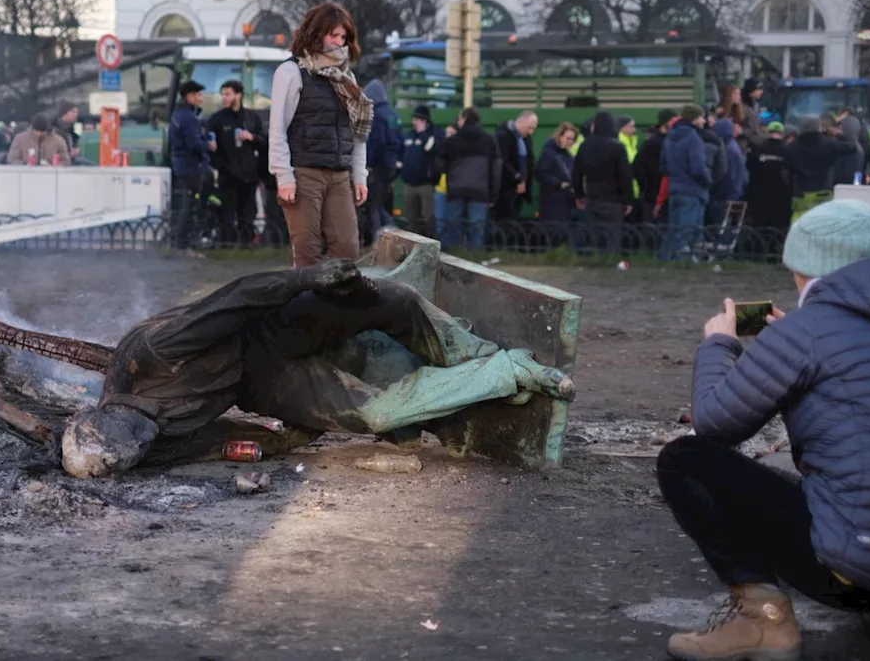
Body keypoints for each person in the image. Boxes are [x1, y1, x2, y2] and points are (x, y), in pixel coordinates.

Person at [657, 199, 870, 661]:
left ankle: (762, 623)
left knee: (685, 461)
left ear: (806, 267)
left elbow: (714, 424)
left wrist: (719, 344)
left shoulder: (804, 334)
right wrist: (792, 343)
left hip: (854, 572)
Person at [60, 259, 575, 478]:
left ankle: (467, 351)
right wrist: (285, 439)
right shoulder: (140, 446)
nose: (154, 431)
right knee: (377, 415)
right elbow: (219, 437)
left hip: (262, 329)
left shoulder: (151, 352)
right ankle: (508, 372)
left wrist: (307, 277)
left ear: (116, 409)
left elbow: (235, 297)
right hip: (261, 383)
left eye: (143, 424)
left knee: (387, 298)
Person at [269, 2, 372, 267]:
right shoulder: (291, 72)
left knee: (348, 248)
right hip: (304, 172)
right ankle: (306, 307)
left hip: (339, 174)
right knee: (307, 251)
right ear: (316, 34)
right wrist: (284, 176)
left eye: (344, 37)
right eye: (333, 35)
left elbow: (357, 133)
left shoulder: (345, 77)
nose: (340, 43)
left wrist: (359, 175)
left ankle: (335, 306)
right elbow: (277, 128)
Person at [207, 80, 268, 246]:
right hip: (227, 176)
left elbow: (265, 142)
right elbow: (211, 149)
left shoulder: (251, 118)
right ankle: (226, 244)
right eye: (223, 94)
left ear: (238, 95)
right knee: (226, 212)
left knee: (248, 213)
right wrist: (222, 166)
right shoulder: (216, 119)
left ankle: (247, 244)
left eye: (227, 94)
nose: (224, 98)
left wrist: (252, 138)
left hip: (249, 175)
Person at [434, 107, 500, 250]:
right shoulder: (489, 140)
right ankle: (474, 261)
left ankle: (452, 262)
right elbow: (496, 169)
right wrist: (493, 194)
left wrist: (449, 172)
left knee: (453, 228)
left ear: (464, 119)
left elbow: (439, 164)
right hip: (479, 192)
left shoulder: (452, 141)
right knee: (476, 229)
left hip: (456, 190)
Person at [573, 111, 634, 255]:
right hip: (613, 200)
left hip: (592, 197)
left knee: (594, 234)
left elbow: (576, 173)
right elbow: (625, 176)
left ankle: (594, 260)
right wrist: (628, 200)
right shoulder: (617, 147)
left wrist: (579, 194)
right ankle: (610, 261)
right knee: (612, 234)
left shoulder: (585, 145)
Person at [660, 104, 711, 260]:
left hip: (674, 189)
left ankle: (667, 261)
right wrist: (708, 180)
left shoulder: (670, 136)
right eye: (702, 117)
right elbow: (697, 167)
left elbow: (663, 165)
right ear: (695, 119)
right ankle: (680, 264)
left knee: (675, 230)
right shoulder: (694, 138)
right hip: (692, 190)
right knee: (687, 232)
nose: (704, 120)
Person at [167, 81, 213, 255]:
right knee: (191, 205)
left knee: (188, 203)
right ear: (190, 96)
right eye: (199, 95)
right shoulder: (188, 117)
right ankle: (183, 245)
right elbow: (194, 143)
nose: (201, 98)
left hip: (181, 164)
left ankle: (181, 243)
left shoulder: (178, 115)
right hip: (190, 166)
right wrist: (206, 149)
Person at [783, 116, 856, 221]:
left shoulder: (792, 147)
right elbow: (852, 147)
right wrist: (839, 134)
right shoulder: (829, 144)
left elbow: (786, 170)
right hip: (823, 192)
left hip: (801, 195)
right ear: (819, 127)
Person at [363, 79, 403, 240]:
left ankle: (380, 240)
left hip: (379, 166)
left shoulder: (377, 115)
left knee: (374, 206)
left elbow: (376, 142)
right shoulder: (393, 115)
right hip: (392, 165)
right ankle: (393, 235)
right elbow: (401, 141)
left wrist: (368, 163)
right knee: (381, 203)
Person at [399, 105, 443, 239]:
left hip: (426, 184)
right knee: (411, 218)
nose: (415, 122)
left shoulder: (434, 134)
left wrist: (423, 134)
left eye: (418, 119)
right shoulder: (408, 135)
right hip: (409, 183)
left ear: (425, 120)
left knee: (428, 217)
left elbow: (431, 150)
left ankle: (432, 245)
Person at [744, 122, 793, 233]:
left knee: (760, 227)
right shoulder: (788, 150)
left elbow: (750, 167)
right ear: (782, 134)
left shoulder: (758, 148)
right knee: (778, 228)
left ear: (768, 132)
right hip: (782, 196)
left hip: (760, 194)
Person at [494, 110, 538, 223]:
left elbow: (529, 161)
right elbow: (502, 161)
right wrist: (517, 177)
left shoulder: (526, 139)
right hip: (505, 188)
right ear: (521, 122)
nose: (531, 131)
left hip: (519, 188)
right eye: (529, 127)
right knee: (504, 221)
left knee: (514, 220)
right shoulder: (503, 136)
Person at [634, 109, 676, 222]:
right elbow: (638, 167)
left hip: (660, 194)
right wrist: (646, 187)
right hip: (654, 195)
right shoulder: (654, 143)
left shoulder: (653, 141)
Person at [535, 122, 577, 225]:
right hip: (551, 200)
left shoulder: (568, 155)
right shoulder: (549, 152)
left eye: (572, 139)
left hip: (564, 200)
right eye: (568, 138)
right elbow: (540, 173)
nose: (570, 142)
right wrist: (559, 183)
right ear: (560, 136)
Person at [7, 113, 71, 167]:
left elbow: (66, 161)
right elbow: (12, 159)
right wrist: (24, 166)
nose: (39, 134)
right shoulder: (20, 139)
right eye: (37, 131)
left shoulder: (58, 141)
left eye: (42, 132)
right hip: (26, 176)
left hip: (50, 177)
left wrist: (52, 167)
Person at [712, 119, 747, 205]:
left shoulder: (728, 150)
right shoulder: (732, 145)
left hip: (727, 196)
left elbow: (729, 175)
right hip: (735, 192)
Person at [53, 100, 86, 165]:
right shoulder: (55, 132)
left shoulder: (70, 131)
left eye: (77, 112)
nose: (76, 115)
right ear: (64, 113)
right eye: (73, 111)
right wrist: (69, 154)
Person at [737, 78, 767, 150]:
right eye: (759, 89)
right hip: (745, 146)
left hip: (758, 143)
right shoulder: (740, 106)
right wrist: (743, 132)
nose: (761, 92)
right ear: (751, 91)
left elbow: (757, 124)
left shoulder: (755, 104)